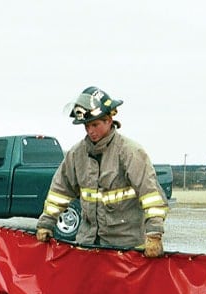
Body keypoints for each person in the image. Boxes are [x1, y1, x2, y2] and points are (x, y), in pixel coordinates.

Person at [36, 86, 168, 257]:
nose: (90, 131)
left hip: (125, 247)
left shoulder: (129, 152)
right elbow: (59, 191)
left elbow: (151, 195)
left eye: (95, 124)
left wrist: (154, 234)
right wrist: (46, 222)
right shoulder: (76, 154)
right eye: (86, 126)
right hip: (88, 244)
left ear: (109, 120)